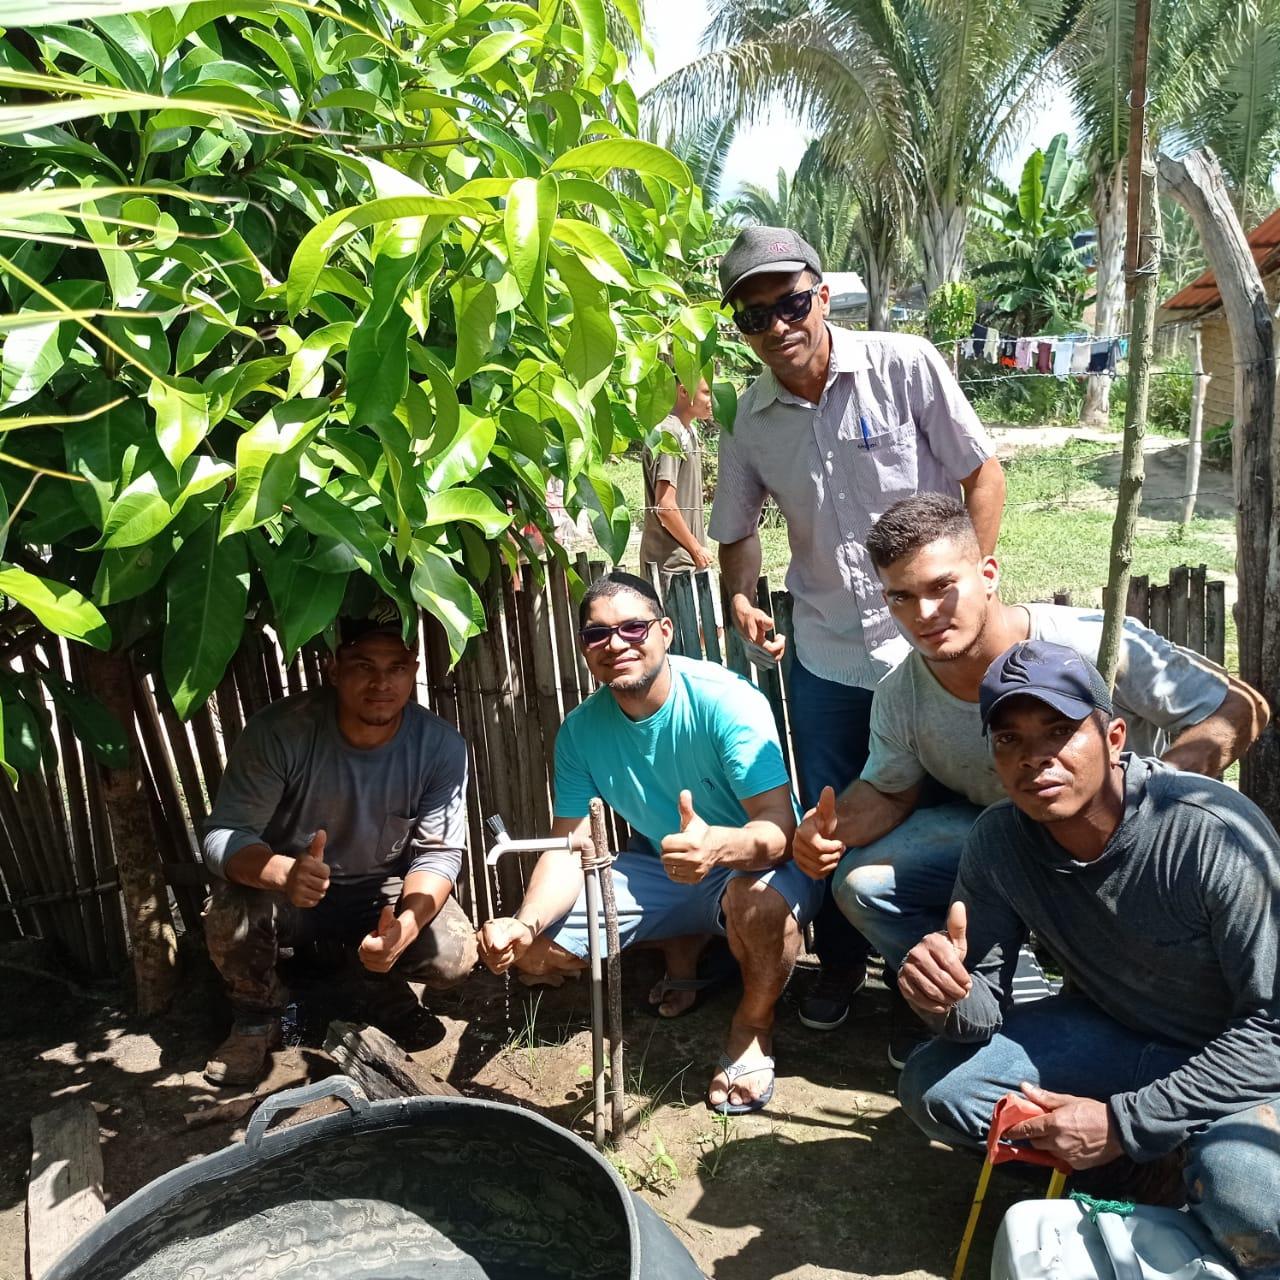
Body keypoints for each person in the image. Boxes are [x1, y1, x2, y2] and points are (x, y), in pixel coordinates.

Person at [793, 494, 1265, 1065]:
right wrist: (829, 829)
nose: (923, 613)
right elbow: (889, 789)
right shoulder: (901, 693)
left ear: (987, 573)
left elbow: (1242, 706)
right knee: (860, 882)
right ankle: (969, 998)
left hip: (1120, 853)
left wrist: (1159, 794)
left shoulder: (1088, 642)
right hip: (1003, 846)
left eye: (942, 586)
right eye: (901, 596)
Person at [895, 640, 1280, 1277]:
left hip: (1239, 1064)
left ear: (1114, 737)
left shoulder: (1209, 834)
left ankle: (1156, 1154)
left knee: (1250, 1196)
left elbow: (1272, 1032)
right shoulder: (999, 842)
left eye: (1059, 731)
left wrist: (1126, 1122)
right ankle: (1148, 1168)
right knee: (937, 1087)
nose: (1034, 757)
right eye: (1009, 740)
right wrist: (947, 997)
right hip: (1117, 1035)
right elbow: (984, 1009)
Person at [709, 224, 1006, 1031]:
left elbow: (983, 471)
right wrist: (742, 595)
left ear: (822, 296)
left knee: (959, 813)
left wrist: (964, 594)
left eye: (791, 304)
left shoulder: (903, 364)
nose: (778, 327)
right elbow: (736, 527)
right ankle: (840, 967)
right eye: (754, 316)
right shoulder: (748, 417)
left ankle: (963, 988)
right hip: (832, 660)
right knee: (834, 821)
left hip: (937, 653)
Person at [476, 572, 820, 1114]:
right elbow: (571, 848)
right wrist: (525, 923)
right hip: (670, 866)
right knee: (537, 956)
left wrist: (717, 848)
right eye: (597, 635)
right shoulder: (581, 732)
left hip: (757, 867)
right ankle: (690, 948)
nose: (616, 644)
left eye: (633, 628)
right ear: (585, 650)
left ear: (665, 632)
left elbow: (779, 831)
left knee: (754, 904)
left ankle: (753, 1026)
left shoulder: (724, 700)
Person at [200, 607, 478, 1086]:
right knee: (232, 914)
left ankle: (377, 985)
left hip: (379, 892)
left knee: (454, 953)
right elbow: (221, 836)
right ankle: (255, 1015)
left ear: (414, 671)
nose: (381, 683)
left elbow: (438, 854)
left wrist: (405, 929)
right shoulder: (281, 733)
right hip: (288, 893)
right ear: (333, 668)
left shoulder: (439, 747)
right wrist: (280, 872)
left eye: (396, 668)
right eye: (363, 665)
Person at [640, 372, 713, 587]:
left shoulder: (688, 431)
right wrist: (696, 549)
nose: (712, 401)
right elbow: (665, 507)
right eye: (707, 393)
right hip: (672, 567)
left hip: (687, 562)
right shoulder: (668, 434)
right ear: (683, 391)